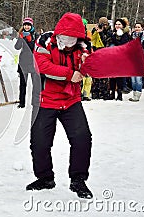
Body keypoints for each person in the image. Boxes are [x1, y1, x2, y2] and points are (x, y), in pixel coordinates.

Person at [26, 13, 93, 199]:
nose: (67, 43)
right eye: (64, 38)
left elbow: (91, 64)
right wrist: (69, 74)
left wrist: (88, 65)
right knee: (39, 142)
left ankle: (78, 179)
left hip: (71, 100)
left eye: (72, 39)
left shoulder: (84, 46)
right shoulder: (45, 40)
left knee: (82, 138)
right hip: (45, 100)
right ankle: (45, 178)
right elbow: (42, 65)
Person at [14, 17, 39, 108]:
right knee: (22, 84)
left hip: (33, 62)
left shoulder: (36, 35)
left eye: (28, 25)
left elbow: (35, 48)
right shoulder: (22, 34)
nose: (26, 27)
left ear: (31, 25)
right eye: (25, 25)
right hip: (23, 62)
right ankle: (22, 102)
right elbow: (17, 47)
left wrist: (29, 40)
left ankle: (35, 102)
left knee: (35, 84)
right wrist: (21, 38)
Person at [107, 18, 130, 101]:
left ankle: (119, 94)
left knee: (119, 76)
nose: (117, 25)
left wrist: (114, 40)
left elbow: (122, 45)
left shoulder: (125, 34)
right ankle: (112, 93)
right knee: (112, 76)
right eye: (116, 24)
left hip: (121, 58)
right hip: (113, 57)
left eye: (119, 24)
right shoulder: (113, 33)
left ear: (123, 25)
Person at [90, 17, 111, 100]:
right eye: (102, 24)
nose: (103, 26)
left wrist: (102, 33)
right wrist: (96, 31)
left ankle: (104, 93)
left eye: (105, 25)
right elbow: (92, 41)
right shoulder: (95, 30)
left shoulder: (109, 32)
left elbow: (106, 42)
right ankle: (95, 92)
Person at [129, 22, 144, 102]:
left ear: (142, 28)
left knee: (138, 78)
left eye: (138, 27)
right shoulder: (132, 36)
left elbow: (143, 47)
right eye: (136, 27)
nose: (137, 28)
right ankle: (134, 94)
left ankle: (138, 95)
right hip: (132, 59)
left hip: (140, 59)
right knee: (133, 79)